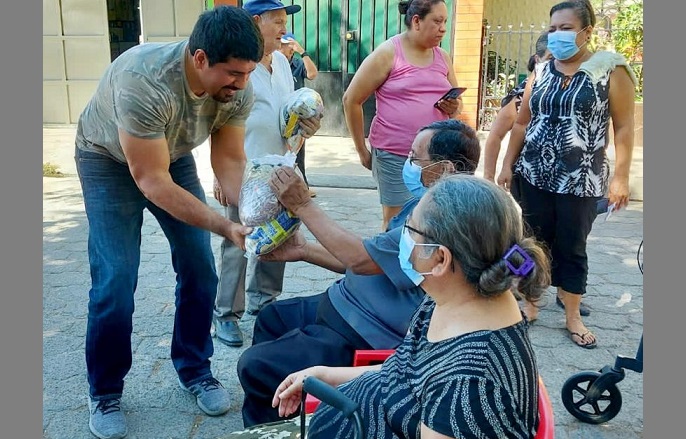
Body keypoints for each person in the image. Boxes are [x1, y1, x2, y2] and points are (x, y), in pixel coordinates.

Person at [227, 174, 551, 438]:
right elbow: (408, 371)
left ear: (440, 258)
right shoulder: (447, 302)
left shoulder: (471, 386)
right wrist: (326, 374)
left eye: (409, 231)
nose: (401, 240)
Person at [73, 6, 263, 439]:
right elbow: (150, 181)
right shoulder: (144, 79)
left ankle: (195, 370)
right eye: (233, 73)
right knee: (116, 280)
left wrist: (255, 214)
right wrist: (223, 226)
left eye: (248, 73)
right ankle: (104, 391)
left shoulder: (238, 88)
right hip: (107, 160)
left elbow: (231, 161)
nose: (242, 84)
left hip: (169, 158)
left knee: (200, 267)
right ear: (199, 59)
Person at [236, 119, 480, 428]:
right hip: (343, 303)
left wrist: (302, 204)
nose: (407, 164)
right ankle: (281, 418)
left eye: (415, 158)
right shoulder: (422, 203)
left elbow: (360, 258)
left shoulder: (440, 219)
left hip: (360, 332)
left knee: (254, 366)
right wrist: (304, 251)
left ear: (444, 169)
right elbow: (370, 259)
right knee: (272, 318)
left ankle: (281, 423)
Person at [497, 0, 638, 348]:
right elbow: (522, 122)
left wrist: (620, 177)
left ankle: (572, 315)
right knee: (527, 242)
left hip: (581, 180)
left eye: (566, 28)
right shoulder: (541, 71)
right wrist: (505, 164)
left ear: (587, 32)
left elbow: (623, 128)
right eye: (553, 28)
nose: (557, 35)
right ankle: (528, 303)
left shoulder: (610, 71)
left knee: (572, 247)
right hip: (531, 174)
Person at [212, 0, 321, 348]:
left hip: (282, 166)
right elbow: (217, 120)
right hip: (243, 170)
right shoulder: (238, 66)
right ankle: (226, 314)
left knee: (280, 237)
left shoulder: (283, 64)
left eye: (283, 20)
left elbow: (287, 115)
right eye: (276, 20)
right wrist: (218, 173)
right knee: (237, 241)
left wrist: (308, 126)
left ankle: (265, 303)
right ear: (255, 21)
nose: (282, 28)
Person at [343, 0, 464, 231]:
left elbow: (457, 105)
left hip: (435, 157)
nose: (443, 28)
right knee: (396, 222)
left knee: (429, 221)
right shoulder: (389, 54)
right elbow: (351, 100)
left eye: (445, 22)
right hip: (395, 155)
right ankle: (391, 266)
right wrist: (361, 150)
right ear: (417, 21)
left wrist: (453, 106)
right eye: (437, 21)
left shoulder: (443, 57)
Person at [482, 31, 551, 182]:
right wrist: (489, 177)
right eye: (551, 59)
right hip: (529, 176)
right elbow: (495, 136)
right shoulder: (521, 97)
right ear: (537, 60)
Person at [278, 31, 319, 197]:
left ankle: (303, 187)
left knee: (298, 154)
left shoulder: (297, 63)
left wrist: (303, 52)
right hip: (280, 116)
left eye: (286, 45)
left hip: (296, 116)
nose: (282, 48)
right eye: (281, 44)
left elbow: (312, 74)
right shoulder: (274, 64)